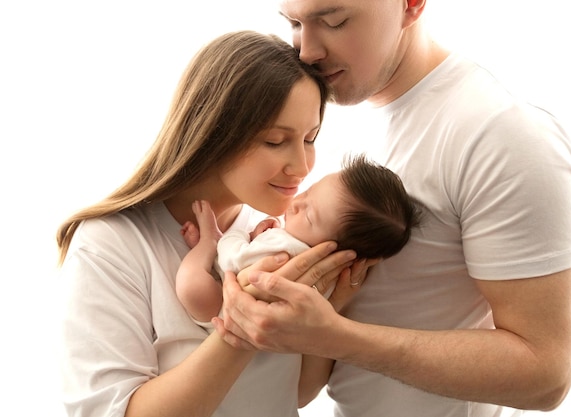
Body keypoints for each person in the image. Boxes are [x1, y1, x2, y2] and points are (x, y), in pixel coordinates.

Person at [215, 1, 571, 416]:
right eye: (295, 23)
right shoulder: (340, 113)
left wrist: (332, 335)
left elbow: (546, 376)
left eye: (334, 21)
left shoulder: (501, 135)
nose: (307, 51)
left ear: (410, 5)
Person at [55, 30, 366, 417]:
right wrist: (240, 329)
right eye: (274, 141)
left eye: (310, 138)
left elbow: (291, 392)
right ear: (214, 133)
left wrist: (330, 315)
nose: (301, 167)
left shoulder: (273, 234)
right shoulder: (110, 244)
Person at [176, 153, 423, 329]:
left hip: (222, 308)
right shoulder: (329, 276)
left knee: (192, 287)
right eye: (308, 192)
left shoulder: (287, 248)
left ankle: (207, 242)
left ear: (335, 249)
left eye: (309, 215)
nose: (296, 204)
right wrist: (257, 239)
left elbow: (234, 260)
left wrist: (233, 236)